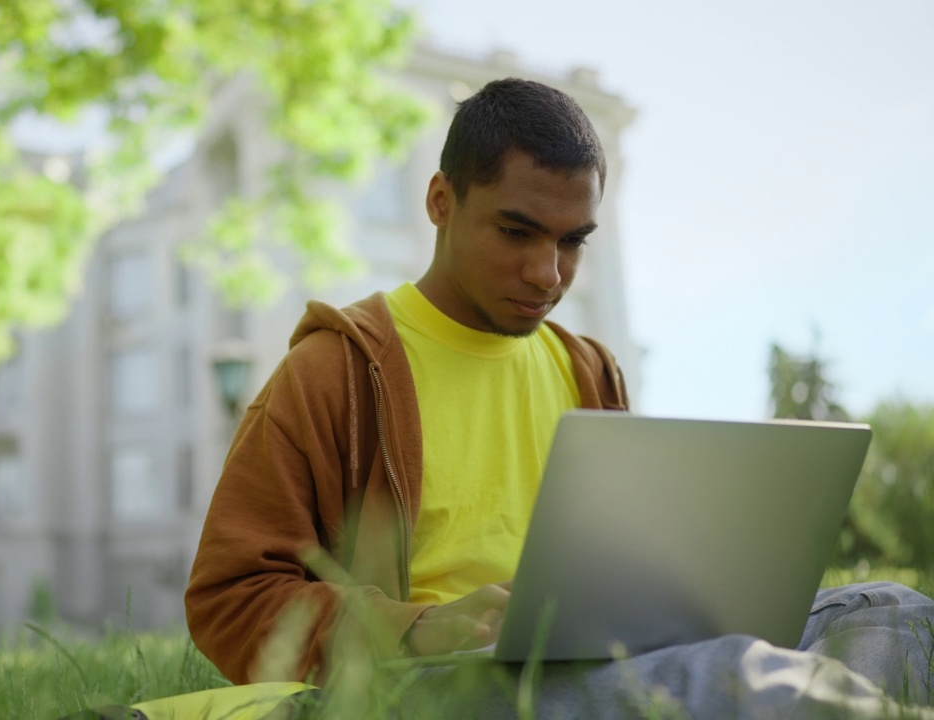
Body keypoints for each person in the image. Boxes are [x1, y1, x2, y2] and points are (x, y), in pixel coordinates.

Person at [184, 78, 934, 717]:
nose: (548, 273)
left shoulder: (588, 368)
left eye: (573, 242)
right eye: (517, 232)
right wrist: (419, 627)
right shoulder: (335, 370)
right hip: (439, 685)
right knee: (739, 675)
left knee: (893, 614)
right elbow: (230, 600)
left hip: (599, 656)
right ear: (441, 201)